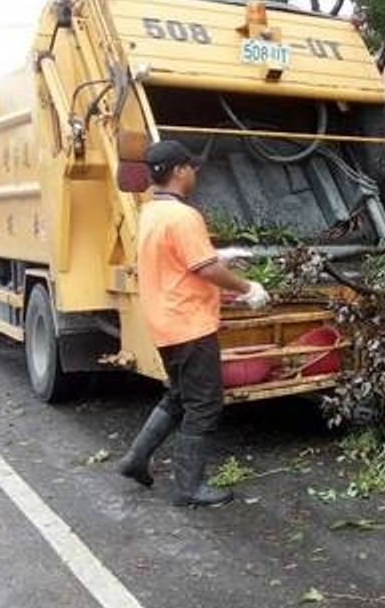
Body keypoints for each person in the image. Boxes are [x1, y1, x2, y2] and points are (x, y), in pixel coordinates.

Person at [115, 140, 271, 506]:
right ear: (179, 170)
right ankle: (189, 488)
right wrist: (248, 288)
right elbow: (205, 270)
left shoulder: (152, 212)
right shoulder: (184, 216)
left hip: (165, 323)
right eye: (191, 167)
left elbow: (180, 258)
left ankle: (135, 459)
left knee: (179, 396)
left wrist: (219, 254)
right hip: (190, 325)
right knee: (204, 404)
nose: (195, 173)